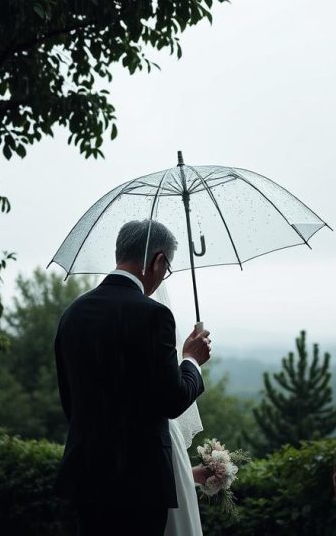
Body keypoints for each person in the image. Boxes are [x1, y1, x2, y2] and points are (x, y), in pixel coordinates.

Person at [54, 219, 213, 536]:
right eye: (166, 268)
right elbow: (172, 400)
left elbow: (70, 402)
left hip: (85, 476)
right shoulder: (154, 315)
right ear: (158, 261)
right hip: (139, 485)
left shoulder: (73, 313)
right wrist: (192, 361)